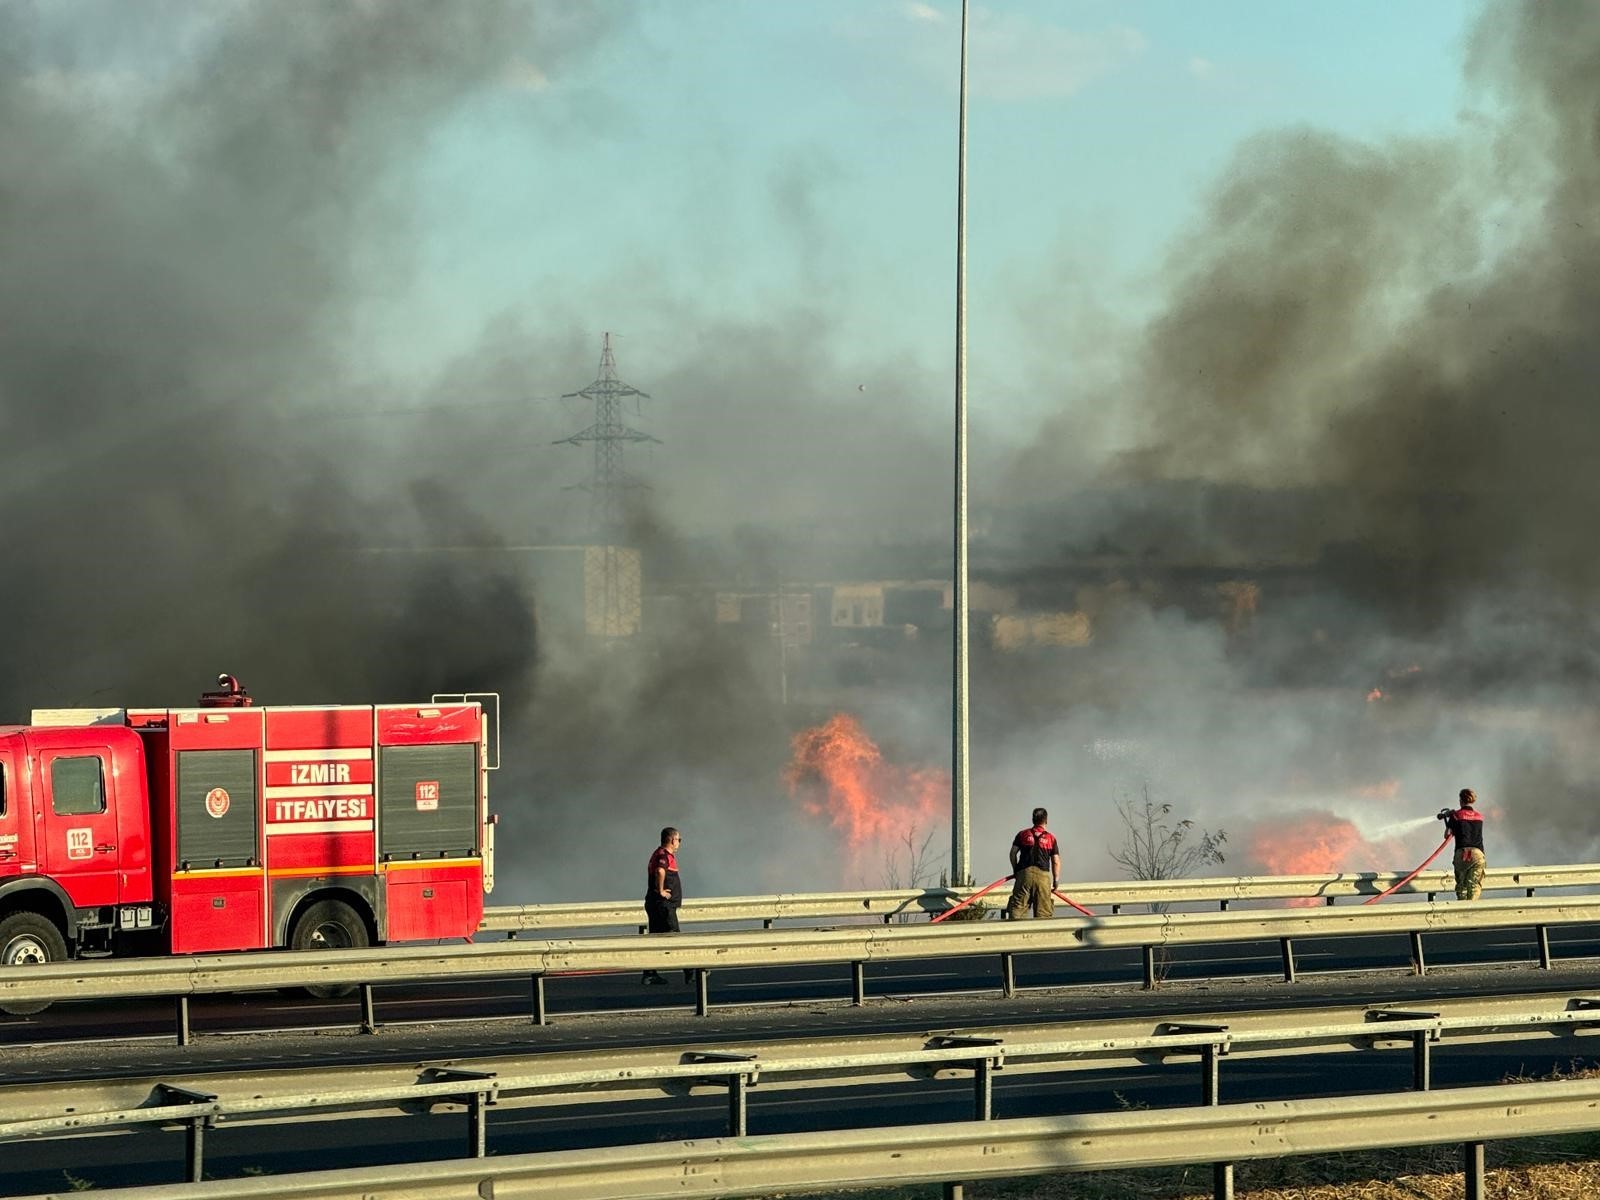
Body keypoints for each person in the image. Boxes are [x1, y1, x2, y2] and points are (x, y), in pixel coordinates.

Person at [642, 827, 686, 985]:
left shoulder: (659, 853)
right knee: (675, 936)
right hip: (663, 905)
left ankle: (649, 973)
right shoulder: (663, 855)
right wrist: (661, 890)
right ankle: (691, 970)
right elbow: (660, 871)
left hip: (656, 903)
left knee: (655, 939)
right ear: (672, 840)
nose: (679, 843)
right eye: (679, 840)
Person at [1006, 807, 1061, 919]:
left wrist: (1016, 871)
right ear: (1046, 820)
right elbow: (1055, 861)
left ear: (1033, 820)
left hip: (1024, 875)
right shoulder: (1051, 838)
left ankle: (1015, 935)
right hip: (1043, 878)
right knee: (1043, 915)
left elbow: (1012, 854)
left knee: (1018, 912)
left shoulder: (1022, 834)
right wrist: (1056, 880)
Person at [1437, 788, 1486, 901]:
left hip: (1462, 854)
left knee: (1462, 887)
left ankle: (1462, 911)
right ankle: (1471, 910)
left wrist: (1449, 821)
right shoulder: (1479, 816)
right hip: (1478, 854)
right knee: (1474, 885)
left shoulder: (1456, 816)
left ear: (1460, 800)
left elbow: (1447, 835)